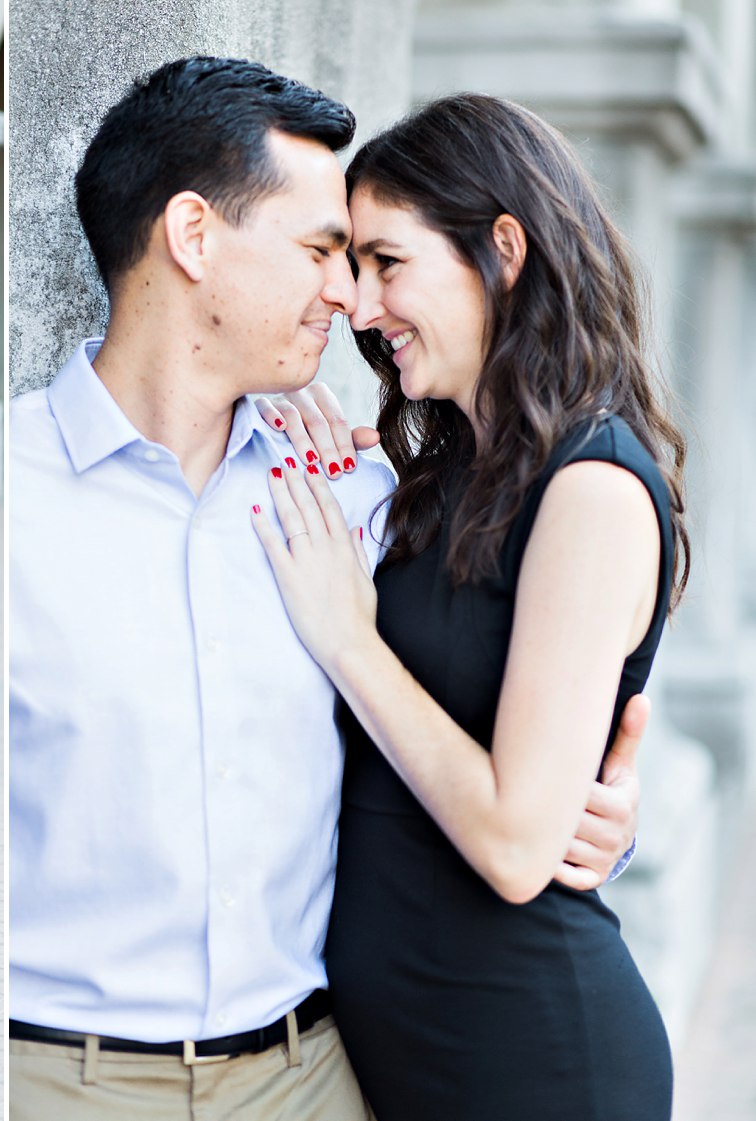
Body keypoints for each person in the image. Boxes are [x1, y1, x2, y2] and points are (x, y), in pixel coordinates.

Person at [9, 58, 645, 1120]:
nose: (349, 296)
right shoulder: (6, 501)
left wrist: (598, 819)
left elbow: (481, 729)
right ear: (194, 237)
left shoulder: (360, 494)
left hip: (317, 1077)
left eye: (366, 259)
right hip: (53, 1077)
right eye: (323, 251)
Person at [249, 93, 684, 1120]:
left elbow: (516, 843)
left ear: (502, 247)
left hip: (529, 1057)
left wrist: (349, 634)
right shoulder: (453, 473)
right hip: (407, 1054)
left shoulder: (594, 489)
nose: (359, 305)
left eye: (386, 263)